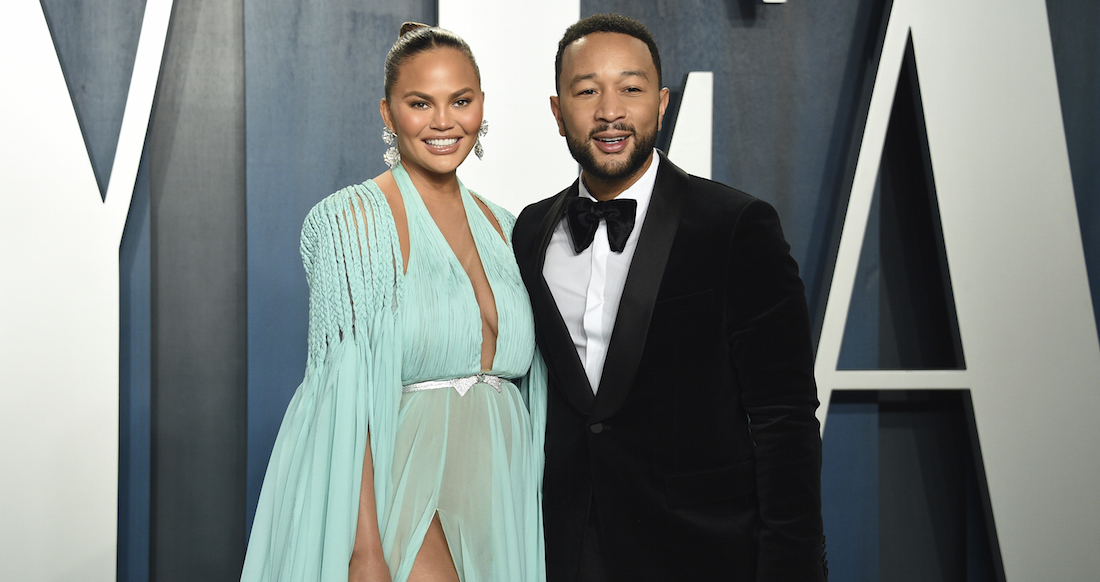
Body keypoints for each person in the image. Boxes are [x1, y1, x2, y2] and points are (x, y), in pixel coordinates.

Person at [512, 13, 826, 582]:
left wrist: (793, 567)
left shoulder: (737, 225)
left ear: (661, 104)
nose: (610, 111)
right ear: (557, 112)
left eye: (631, 89)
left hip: (700, 551)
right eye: (587, 91)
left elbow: (785, 417)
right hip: (561, 549)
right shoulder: (530, 231)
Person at [241, 23, 546, 582]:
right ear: (388, 113)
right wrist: (365, 551)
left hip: (503, 496)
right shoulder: (352, 222)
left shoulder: (509, 229)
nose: (443, 121)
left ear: (481, 105)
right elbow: (342, 396)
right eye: (419, 103)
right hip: (401, 488)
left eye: (460, 101)